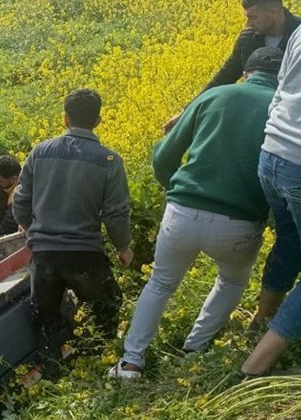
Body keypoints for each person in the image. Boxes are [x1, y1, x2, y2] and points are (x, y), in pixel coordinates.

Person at [110, 48, 283, 379]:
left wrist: (175, 190)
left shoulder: (215, 95)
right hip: (240, 223)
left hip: (183, 211)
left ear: (246, 73)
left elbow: (163, 157)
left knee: (160, 282)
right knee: (232, 281)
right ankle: (194, 348)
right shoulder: (283, 108)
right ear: (282, 78)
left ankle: (130, 362)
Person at [13, 89, 133, 363]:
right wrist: (123, 247)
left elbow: (21, 199)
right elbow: (116, 212)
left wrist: (30, 229)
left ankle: (54, 369)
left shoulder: (40, 152)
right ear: (99, 121)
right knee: (107, 305)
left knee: (47, 318)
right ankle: (96, 363)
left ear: (65, 118)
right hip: (84, 254)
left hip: (44, 256)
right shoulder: (109, 160)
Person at [242, 18, 301, 378]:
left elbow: (282, 87)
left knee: (290, 242)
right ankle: (253, 369)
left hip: (273, 154)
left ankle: (261, 322)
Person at [162, 0, 301, 133]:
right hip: (255, 120)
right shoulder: (247, 40)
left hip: (295, 122)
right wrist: (186, 114)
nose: (248, 24)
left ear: (273, 13)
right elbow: (223, 78)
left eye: (253, 17)